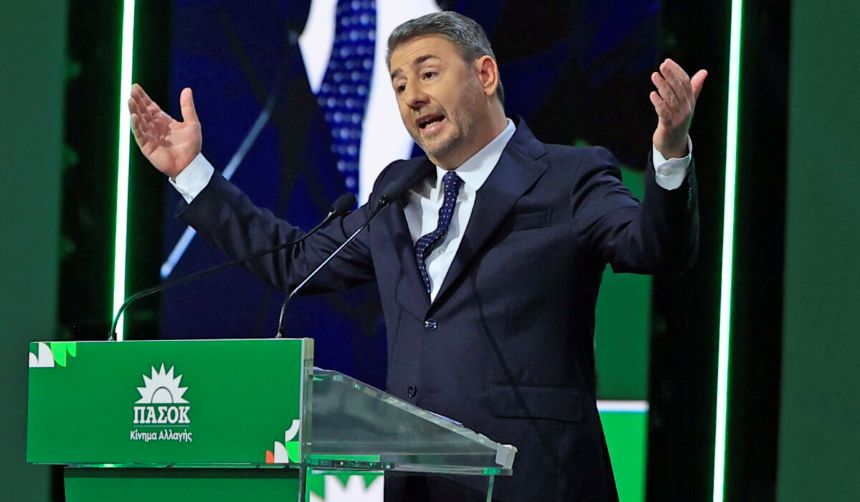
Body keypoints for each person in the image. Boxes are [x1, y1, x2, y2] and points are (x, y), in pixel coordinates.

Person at [129, 11, 705, 502]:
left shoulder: (568, 175)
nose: (412, 96)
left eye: (428, 74)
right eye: (399, 84)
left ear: (485, 74)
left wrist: (671, 151)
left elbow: (655, 247)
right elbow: (295, 263)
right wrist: (192, 175)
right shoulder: (396, 194)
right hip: (418, 485)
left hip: (535, 479)